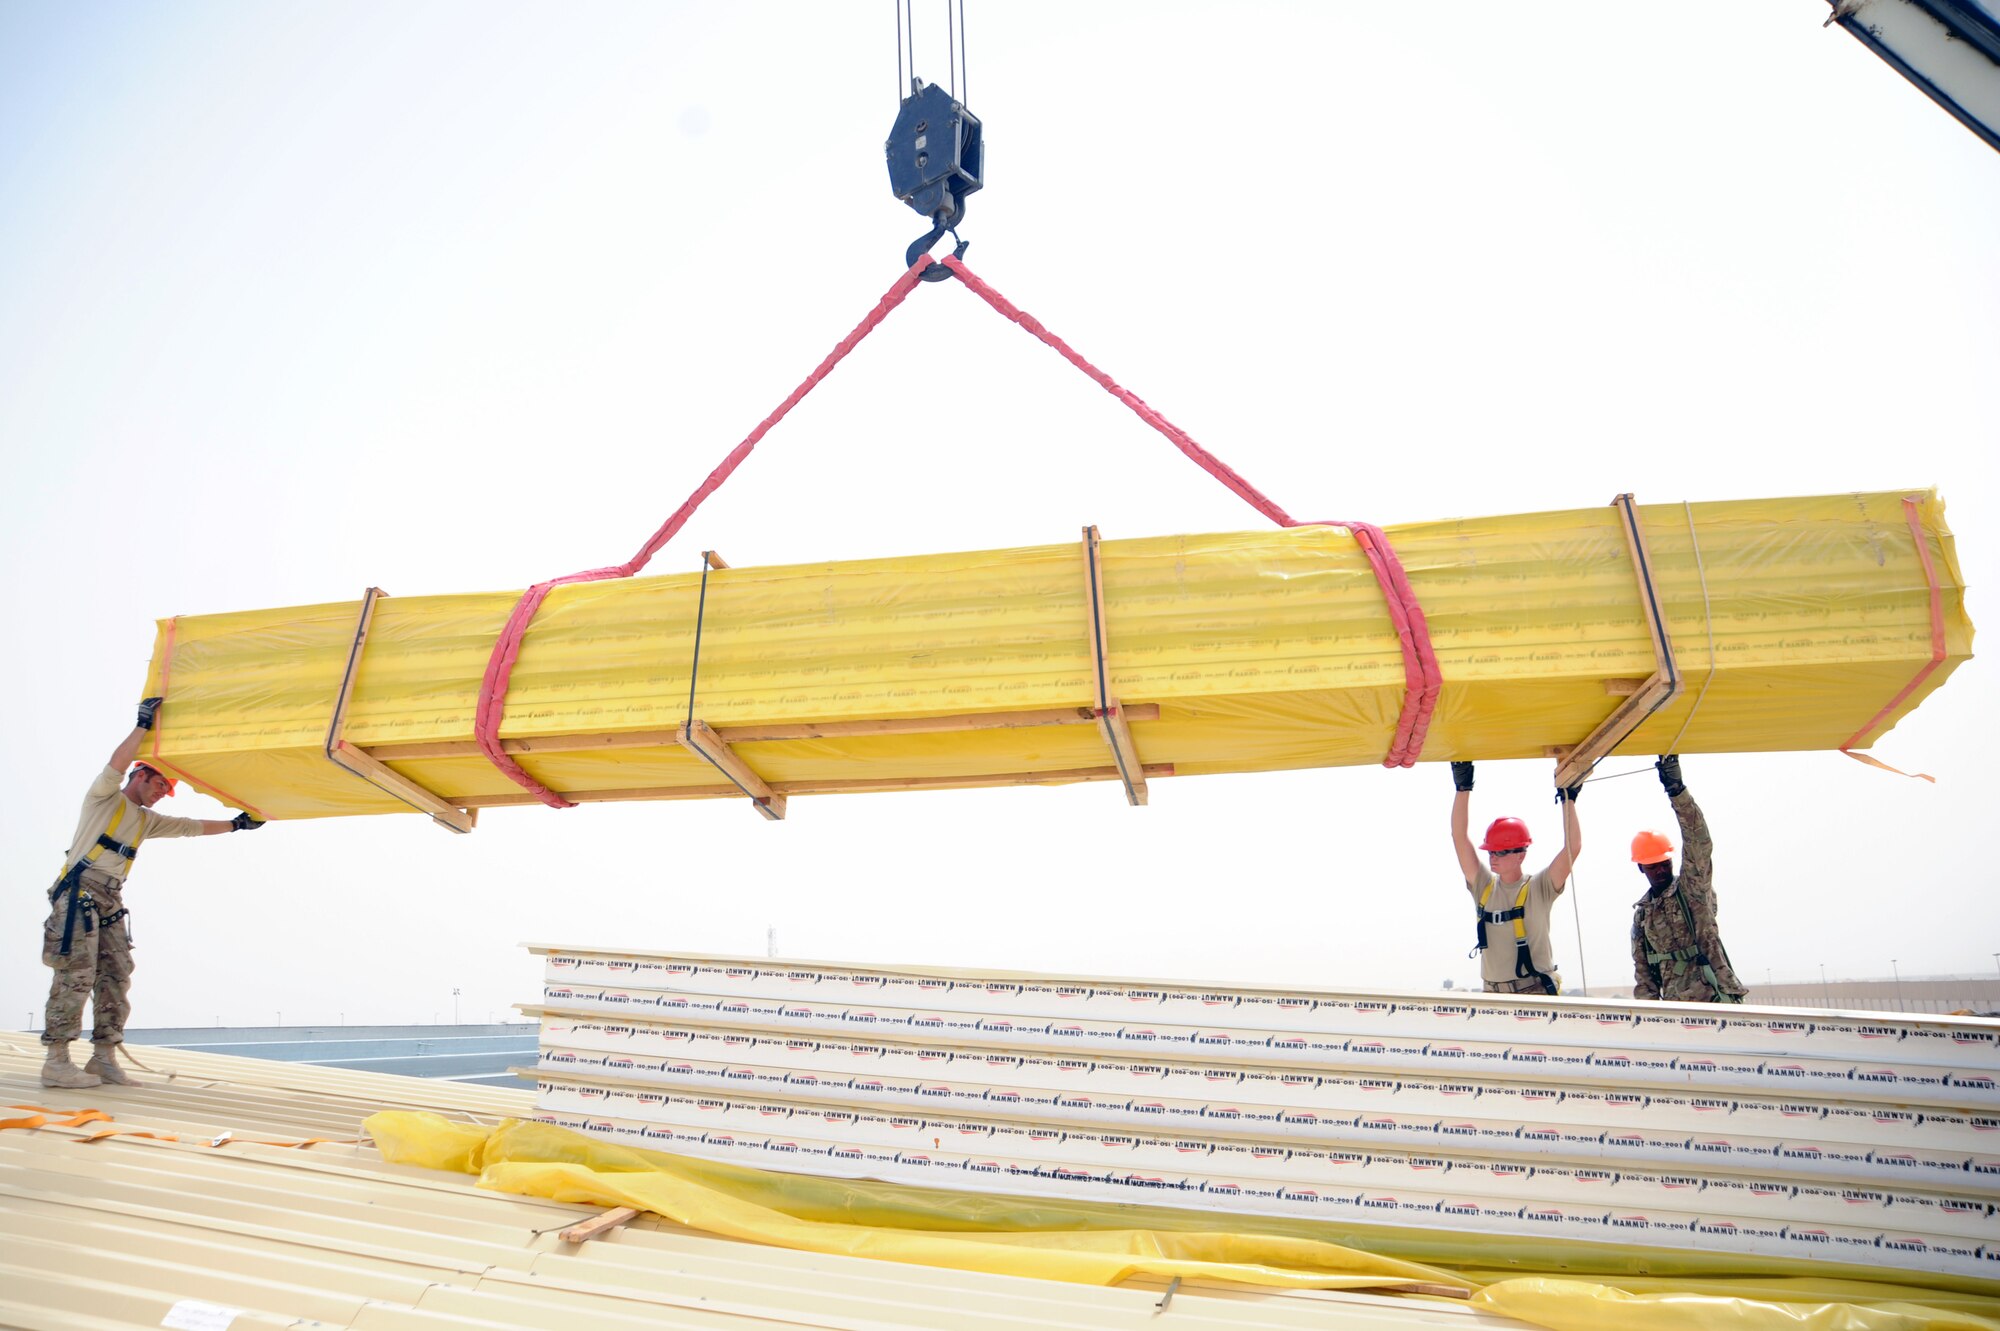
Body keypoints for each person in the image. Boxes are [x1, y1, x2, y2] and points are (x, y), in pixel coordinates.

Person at [40, 698, 268, 1089]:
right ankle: (57, 1061)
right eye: (160, 783)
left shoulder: (147, 821)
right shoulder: (103, 798)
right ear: (141, 775)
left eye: (167, 788)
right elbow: (116, 762)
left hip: (110, 900)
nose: (163, 792)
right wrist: (143, 725)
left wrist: (237, 825)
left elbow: (189, 827)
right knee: (75, 975)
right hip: (79, 895)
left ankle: (103, 1058)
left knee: (116, 975)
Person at [1451, 761, 1582, 995]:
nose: (1493, 857)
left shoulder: (1540, 887)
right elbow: (1459, 837)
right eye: (1491, 851)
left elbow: (1573, 847)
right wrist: (1463, 787)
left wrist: (1568, 798)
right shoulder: (1484, 886)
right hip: (1493, 994)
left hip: (1534, 991)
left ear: (1521, 854)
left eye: (1501, 852)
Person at [1629, 754, 1745, 1004]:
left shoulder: (1691, 891)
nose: (1660, 870)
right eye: (1653, 866)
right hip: (1676, 1011)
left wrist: (1676, 790)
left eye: (1664, 863)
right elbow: (1644, 974)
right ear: (1641, 868)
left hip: (1713, 1000)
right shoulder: (1643, 915)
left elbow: (1698, 842)